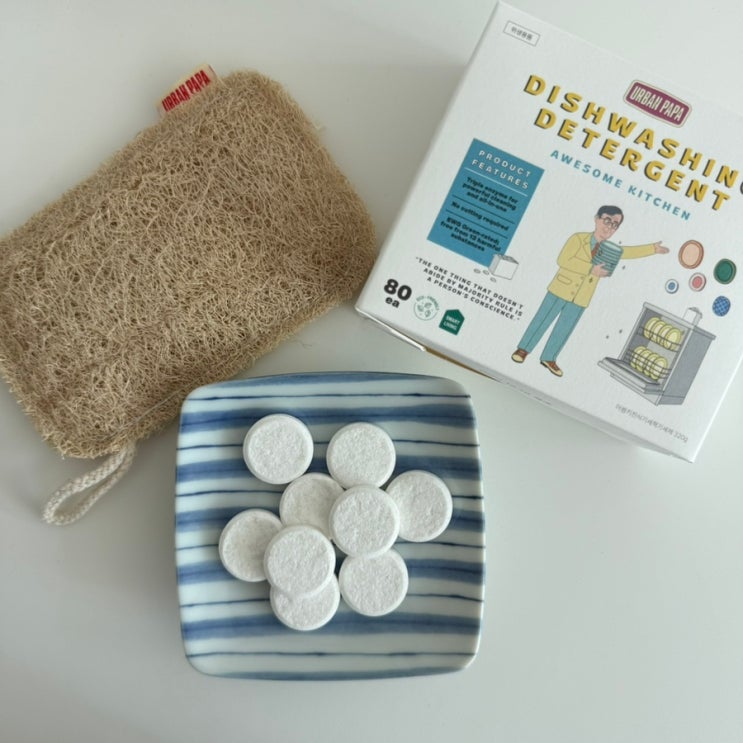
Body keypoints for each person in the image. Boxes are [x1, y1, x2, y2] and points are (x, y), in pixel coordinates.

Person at [511, 206, 669, 377]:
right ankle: (523, 349)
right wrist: (590, 269)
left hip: (582, 296)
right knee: (542, 319)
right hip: (561, 288)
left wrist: (652, 249)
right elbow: (563, 260)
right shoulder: (578, 238)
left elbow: (626, 252)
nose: (609, 227)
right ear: (596, 219)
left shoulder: (610, 249)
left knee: (564, 328)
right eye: (607, 221)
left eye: (615, 224)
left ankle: (549, 357)